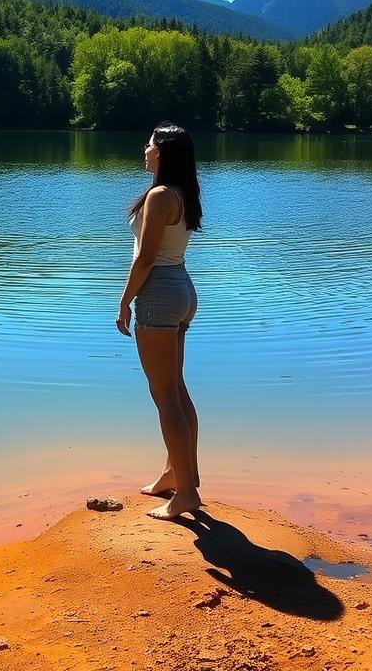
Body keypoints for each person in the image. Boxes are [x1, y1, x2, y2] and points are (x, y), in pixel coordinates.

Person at [116, 122, 203, 520]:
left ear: (163, 152)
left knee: (163, 394)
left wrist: (123, 302)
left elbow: (145, 257)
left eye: (149, 143)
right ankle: (177, 474)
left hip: (159, 293)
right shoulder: (181, 193)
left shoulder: (159, 196)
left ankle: (185, 493)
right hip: (182, 287)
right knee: (175, 388)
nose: (145, 148)